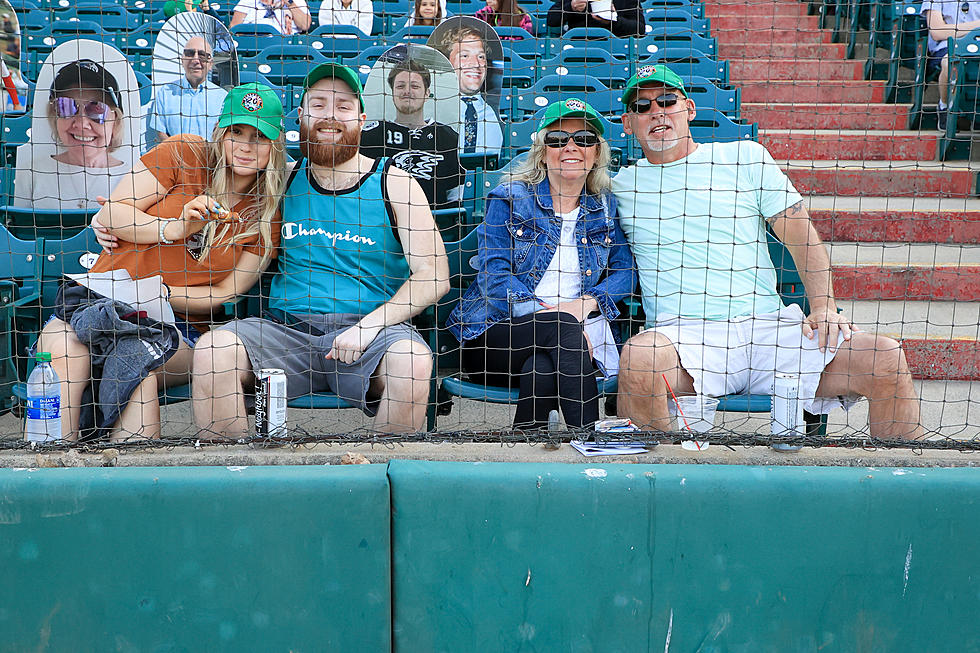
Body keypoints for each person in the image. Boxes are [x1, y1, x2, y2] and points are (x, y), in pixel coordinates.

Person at [610, 64, 923, 440]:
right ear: (629, 124)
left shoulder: (745, 158)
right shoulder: (617, 187)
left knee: (885, 358)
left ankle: (900, 480)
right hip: (684, 339)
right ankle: (655, 488)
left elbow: (801, 237)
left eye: (667, 100)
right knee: (639, 359)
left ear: (689, 109)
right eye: (643, 107)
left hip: (767, 328)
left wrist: (823, 307)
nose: (657, 111)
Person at [192, 63, 449, 437]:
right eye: (318, 105)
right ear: (300, 116)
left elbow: (435, 276)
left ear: (362, 119)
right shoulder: (279, 179)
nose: (330, 116)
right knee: (212, 352)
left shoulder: (394, 182)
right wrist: (122, 223)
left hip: (370, 335)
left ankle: (377, 481)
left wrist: (369, 326)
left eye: (343, 106)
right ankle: (236, 478)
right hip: (284, 333)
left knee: (413, 363)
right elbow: (204, 190)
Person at [35, 83, 287, 442]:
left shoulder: (265, 212)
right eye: (236, 131)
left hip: (177, 325)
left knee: (136, 355)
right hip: (99, 299)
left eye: (259, 136)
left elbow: (226, 291)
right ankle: (55, 469)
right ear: (220, 131)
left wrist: (159, 294)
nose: (246, 146)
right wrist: (175, 228)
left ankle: (130, 479)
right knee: (61, 350)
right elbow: (114, 212)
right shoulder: (184, 152)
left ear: (275, 145)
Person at [448, 99, 636, 429]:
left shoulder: (604, 206)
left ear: (596, 153)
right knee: (559, 331)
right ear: (542, 150)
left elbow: (625, 271)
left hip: (565, 346)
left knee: (542, 370)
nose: (571, 147)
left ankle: (528, 450)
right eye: (558, 139)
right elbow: (495, 276)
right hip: (494, 335)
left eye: (584, 139)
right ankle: (593, 442)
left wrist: (585, 305)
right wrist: (558, 318)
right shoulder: (510, 197)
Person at [14, 59, 130, 210]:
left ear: (115, 120)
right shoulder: (31, 173)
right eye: (66, 106)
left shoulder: (134, 179)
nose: (81, 124)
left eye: (97, 109)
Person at [360, 58, 464, 210]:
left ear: (427, 93)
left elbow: (455, 193)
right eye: (401, 86)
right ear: (392, 92)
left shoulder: (447, 137)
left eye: (414, 86)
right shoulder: (373, 136)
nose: (407, 91)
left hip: (436, 224)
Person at [432, 24, 502, 156]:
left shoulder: (499, 110)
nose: (476, 63)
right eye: (464, 56)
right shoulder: (430, 110)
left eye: (481, 57)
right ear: (446, 63)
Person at [147, 36, 228, 148]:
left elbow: (222, 135)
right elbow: (161, 132)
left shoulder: (223, 97)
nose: (195, 60)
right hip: (174, 160)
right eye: (190, 53)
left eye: (202, 55)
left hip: (209, 161)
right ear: (182, 60)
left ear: (211, 64)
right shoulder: (165, 93)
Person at [921, 0, 980, 129]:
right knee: (950, 62)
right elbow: (937, 32)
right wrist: (977, 26)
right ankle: (945, 106)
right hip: (947, 46)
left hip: (978, 46)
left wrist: (955, 29)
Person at [546, 0, 644, 37]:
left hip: (615, 50)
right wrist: (570, 7)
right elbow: (551, 20)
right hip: (578, 45)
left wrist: (614, 20)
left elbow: (640, 29)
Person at [230, 0, 312, 35]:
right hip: (253, 44)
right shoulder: (248, 1)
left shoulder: (296, 1)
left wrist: (290, 3)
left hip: (285, 46)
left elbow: (305, 25)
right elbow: (234, 28)